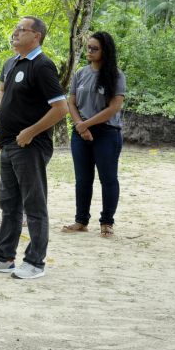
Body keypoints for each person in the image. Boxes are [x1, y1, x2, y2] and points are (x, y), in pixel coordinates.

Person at [0, 16, 68, 279]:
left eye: (21, 29)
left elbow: (61, 109)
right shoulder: (12, 63)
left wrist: (30, 132)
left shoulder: (42, 65)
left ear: (36, 36)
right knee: (9, 204)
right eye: (14, 28)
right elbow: (8, 103)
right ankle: (4, 257)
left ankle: (35, 262)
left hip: (30, 146)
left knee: (34, 205)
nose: (14, 33)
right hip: (9, 144)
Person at [63, 31, 126, 238]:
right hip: (80, 132)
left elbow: (114, 107)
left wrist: (86, 124)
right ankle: (81, 221)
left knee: (108, 179)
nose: (89, 51)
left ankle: (107, 222)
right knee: (83, 179)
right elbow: (71, 102)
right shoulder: (80, 73)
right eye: (88, 47)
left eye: (94, 49)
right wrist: (80, 125)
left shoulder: (116, 75)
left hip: (106, 132)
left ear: (105, 51)